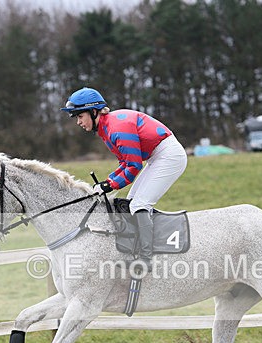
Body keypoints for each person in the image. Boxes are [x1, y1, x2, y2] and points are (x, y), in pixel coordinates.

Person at [61, 87, 187, 274]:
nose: (78, 122)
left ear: (94, 111)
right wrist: (106, 182)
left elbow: (134, 167)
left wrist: (109, 185)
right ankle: (136, 249)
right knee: (130, 202)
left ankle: (146, 260)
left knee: (140, 205)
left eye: (79, 116)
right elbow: (125, 163)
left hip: (169, 155)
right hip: (157, 156)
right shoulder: (106, 128)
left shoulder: (117, 128)